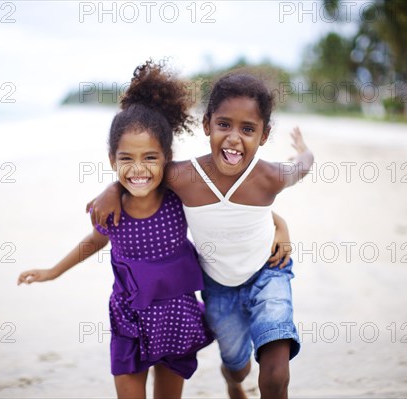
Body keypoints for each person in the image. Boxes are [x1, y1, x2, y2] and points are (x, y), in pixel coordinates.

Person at [88, 70, 314, 398]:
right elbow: (141, 173)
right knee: (238, 367)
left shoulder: (272, 177)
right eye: (224, 124)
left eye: (248, 129)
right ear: (207, 124)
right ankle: (234, 382)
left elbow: (303, 166)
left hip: (269, 273)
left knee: (275, 373)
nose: (234, 138)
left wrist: (304, 152)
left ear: (264, 135)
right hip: (219, 289)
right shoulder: (183, 177)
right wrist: (111, 190)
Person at [17, 60, 216, 399]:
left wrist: (278, 228)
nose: (138, 168)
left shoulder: (178, 197)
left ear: (167, 158)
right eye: (127, 159)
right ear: (112, 160)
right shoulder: (112, 210)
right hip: (129, 320)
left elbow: (228, 209)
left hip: (176, 316)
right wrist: (53, 271)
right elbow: (93, 241)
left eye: (150, 158)